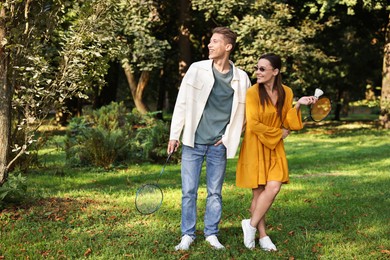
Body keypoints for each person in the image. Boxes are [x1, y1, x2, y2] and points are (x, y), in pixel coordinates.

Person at [167, 27, 251, 251]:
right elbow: (182, 102)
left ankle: (211, 233)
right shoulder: (196, 69)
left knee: (215, 192)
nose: (209, 45)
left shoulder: (241, 78)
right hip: (193, 141)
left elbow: (246, 115)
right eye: (210, 41)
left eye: (215, 42)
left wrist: (227, 138)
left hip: (218, 145)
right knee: (189, 191)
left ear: (228, 47)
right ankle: (187, 234)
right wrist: (175, 134)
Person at [236, 53, 317, 251]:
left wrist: (298, 104)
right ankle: (262, 236)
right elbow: (253, 124)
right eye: (257, 68)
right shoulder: (253, 92)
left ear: (276, 71)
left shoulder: (286, 92)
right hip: (255, 144)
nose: (258, 72)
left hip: (274, 146)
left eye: (262, 69)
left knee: (273, 187)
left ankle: (250, 225)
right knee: (258, 192)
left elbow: (288, 121)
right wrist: (277, 133)